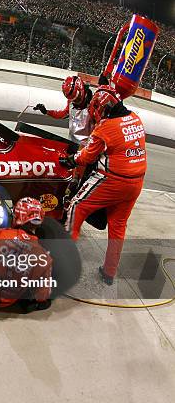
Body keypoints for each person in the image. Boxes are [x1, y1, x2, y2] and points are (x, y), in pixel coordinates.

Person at [60, 85, 146, 285]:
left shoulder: (105, 128)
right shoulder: (135, 118)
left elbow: (87, 156)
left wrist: (71, 159)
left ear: (102, 108)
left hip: (112, 180)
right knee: (118, 227)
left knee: (76, 207)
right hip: (136, 183)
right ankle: (109, 272)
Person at [34, 75, 108, 145]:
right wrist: (46, 111)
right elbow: (63, 114)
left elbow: (102, 128)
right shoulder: (71, 102)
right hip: (72, 144)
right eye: (73, 100)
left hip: (87, 149)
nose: (76, 102)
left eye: (77, 98)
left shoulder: (94, 103)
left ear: (82, 90)